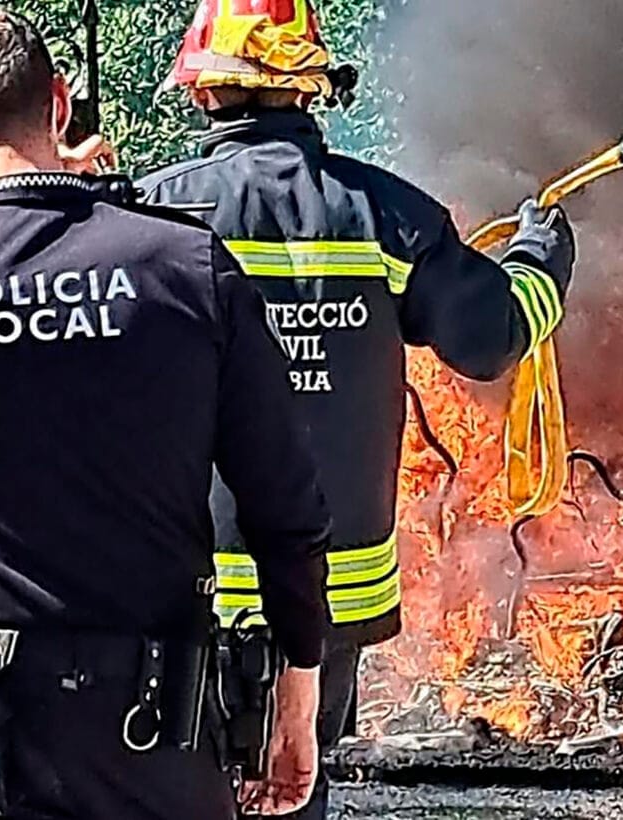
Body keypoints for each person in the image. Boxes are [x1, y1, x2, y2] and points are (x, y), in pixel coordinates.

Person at [0, 4, 332, 818]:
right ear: (62, 99)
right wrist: (298, 690)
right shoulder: (184, 265)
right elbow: (285, 505)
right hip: (157, 735)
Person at [138, 0, 577, 816]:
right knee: (294, 781)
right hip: (329, 598)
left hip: (181, 595)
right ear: (312, 89)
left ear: (203, 92)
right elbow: (493, 338)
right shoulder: (386, 216)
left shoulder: (151, 215)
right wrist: (541, 255)